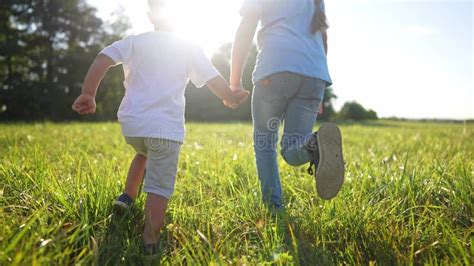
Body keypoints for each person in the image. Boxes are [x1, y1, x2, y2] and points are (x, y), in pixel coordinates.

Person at [72, 0, 249, 255]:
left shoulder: (134, 41)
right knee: (159, 185)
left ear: (150, 16)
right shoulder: (188, 46)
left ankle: (127, 197)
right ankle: (150, 238)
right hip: (165, 129)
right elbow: (212, 77)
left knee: (143, 153)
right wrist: (229, 97)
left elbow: (103, 58)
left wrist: (88, 93)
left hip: (133, 127)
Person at [230, 0, 344, 210]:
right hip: (314, 75)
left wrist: (235, 82)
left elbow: (246, 28)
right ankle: (314, 143)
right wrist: (318, 93)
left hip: (275, 69)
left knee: (265, 145)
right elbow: (323, 39)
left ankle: (274, 208)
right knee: (293, 148)